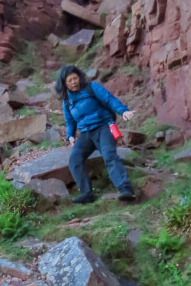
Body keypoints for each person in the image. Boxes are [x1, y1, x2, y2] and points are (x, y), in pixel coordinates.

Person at [55, 64, 136, 204]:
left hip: (103, 127)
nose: (74, 82)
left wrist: (123, 111)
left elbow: (109, 99)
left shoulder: (91, 87)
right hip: (86, 134)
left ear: (79, 77)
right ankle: (87, 194)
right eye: (69, 80)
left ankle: (125, 189)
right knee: (74, 160)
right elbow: (70, 122)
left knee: (109, 156)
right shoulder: (67, 101)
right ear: (64, 84)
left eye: (75, 78)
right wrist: (71, 136)